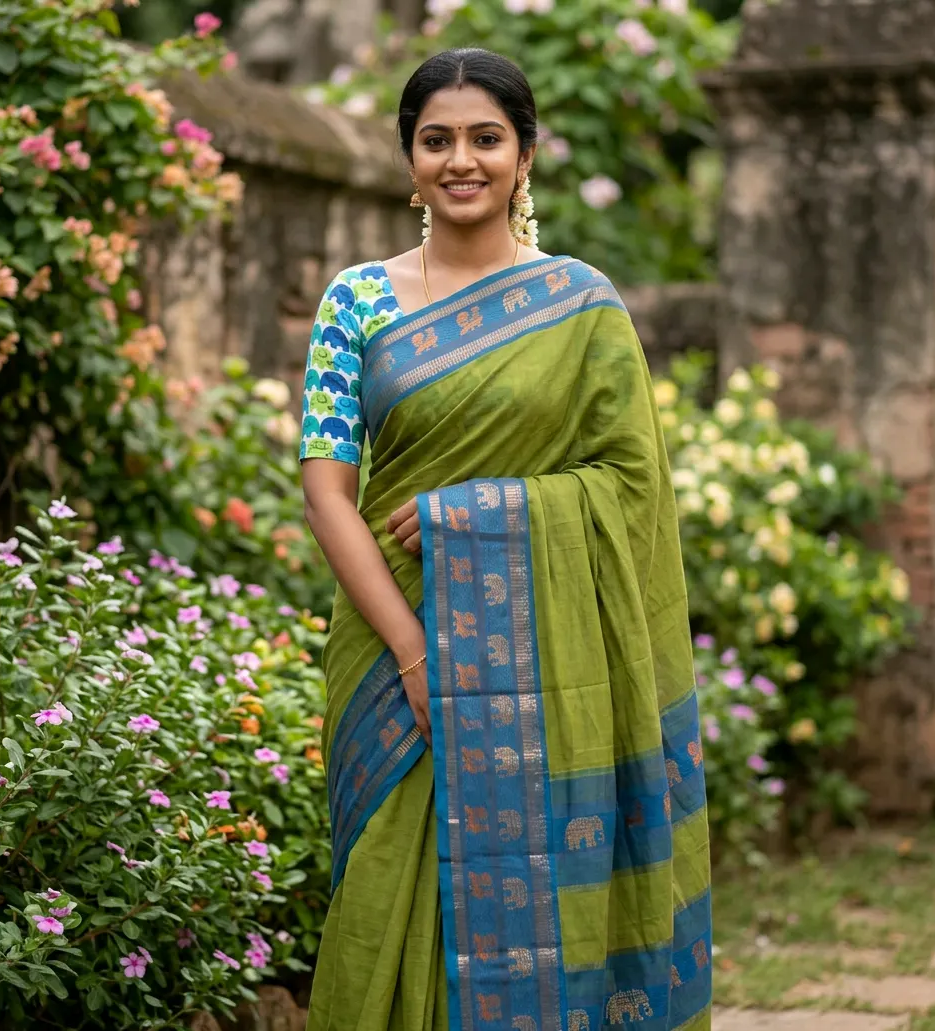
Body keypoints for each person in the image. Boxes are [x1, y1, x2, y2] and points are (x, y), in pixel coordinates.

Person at [300, 46, 711, 1031]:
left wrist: (476, 511)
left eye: (486, 138)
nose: (461, 160)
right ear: (407, 158)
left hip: (542, 661)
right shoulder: (356, 300)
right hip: (387, 647)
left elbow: (627, 483)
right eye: (435, 139)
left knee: (548, 877)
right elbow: (326, 488)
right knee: (386, 889)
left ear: (524, 155)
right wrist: (410, 649)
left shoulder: (580, 303)